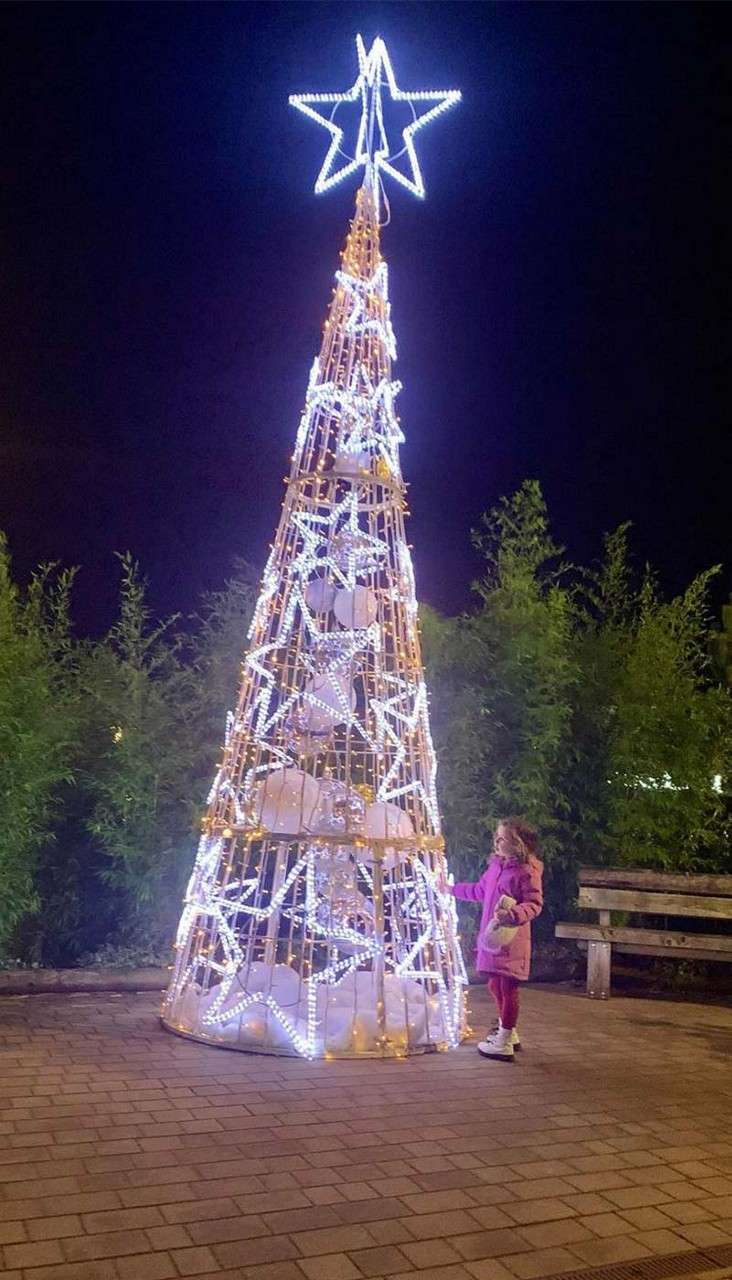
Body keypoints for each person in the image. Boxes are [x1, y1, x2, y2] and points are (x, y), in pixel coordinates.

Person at [442, 817, 544, 1061]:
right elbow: (480, 890)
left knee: (508, 987)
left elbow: (534, 904)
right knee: (494, 984)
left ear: (518, 844)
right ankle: (508, 1030)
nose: (497, 842)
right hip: (493, 937)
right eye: (496, 837)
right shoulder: (496, 867)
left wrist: (512, 915)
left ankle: (505, 1039)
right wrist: (450, 889)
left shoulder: (526, 872)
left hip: (511, 940)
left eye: (503, 839)